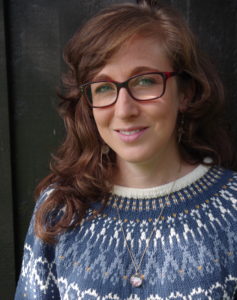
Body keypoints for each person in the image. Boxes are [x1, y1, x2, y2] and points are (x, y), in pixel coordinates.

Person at [15, 1, 237, 299]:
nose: (124, 109)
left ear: (185, 91)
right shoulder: (60, 209)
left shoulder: (231, 210)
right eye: (104, 87)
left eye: (145, 81)